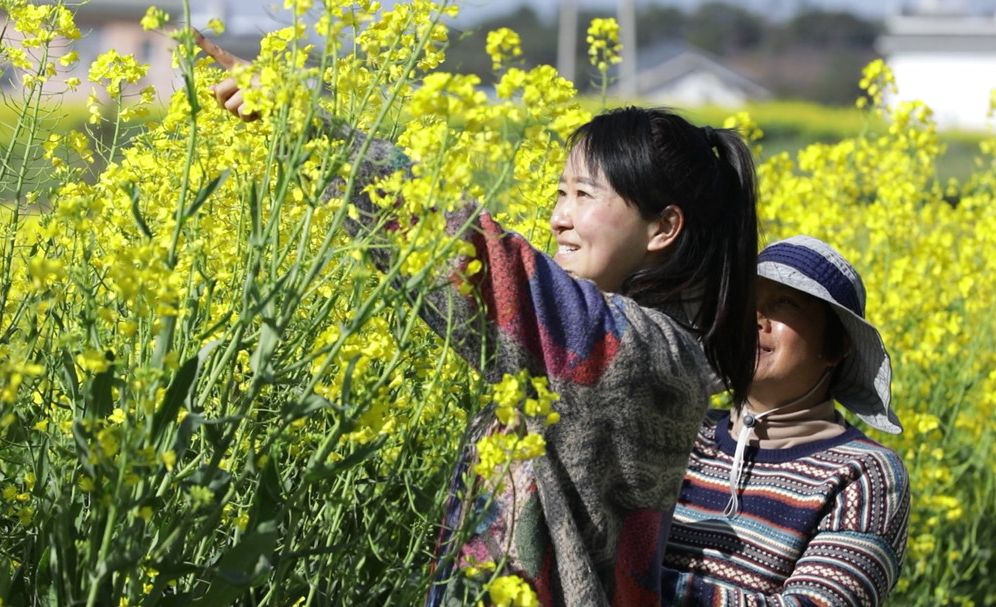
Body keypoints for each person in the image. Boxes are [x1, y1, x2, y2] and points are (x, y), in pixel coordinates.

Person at [196, 32, 760, 607]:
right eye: (558, 193)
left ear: (664, 227)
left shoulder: (648, 352)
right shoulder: (635, 336)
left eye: (584, 195)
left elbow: (489, 268)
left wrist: (315, 131)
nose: (559, 218)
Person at [661, 235, 911, 606]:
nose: (755, 320)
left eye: (785, 303)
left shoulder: (865, 474)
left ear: (836, 346)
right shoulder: (677, 431)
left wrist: (636, 577)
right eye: (746, 304)